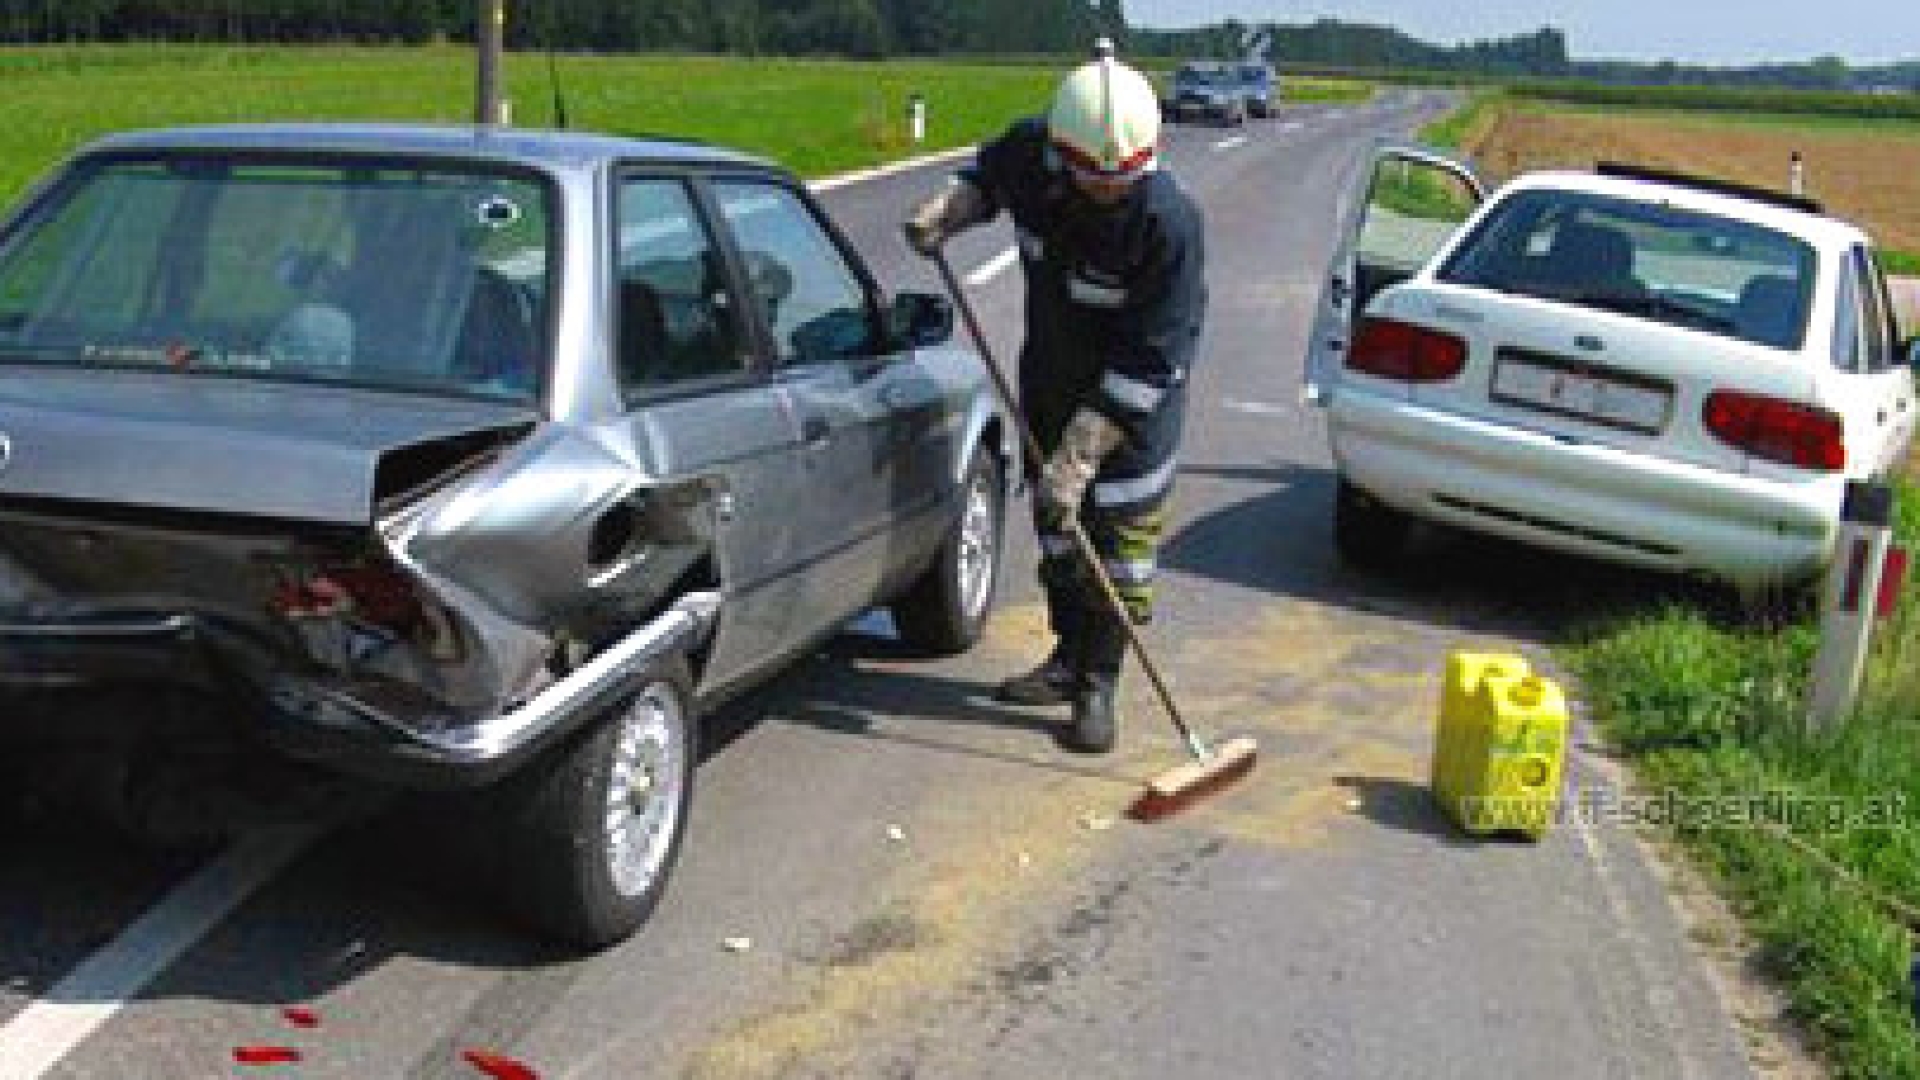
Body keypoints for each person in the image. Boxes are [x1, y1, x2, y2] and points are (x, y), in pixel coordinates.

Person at [903, 50, 1206, 754]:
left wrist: (1081, 457)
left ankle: (1099, 683)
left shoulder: (1169, 226)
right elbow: (986, 179)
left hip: (1131, 423)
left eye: (1121, 180)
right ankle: (1066, 659)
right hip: (1049, 387)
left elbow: (1151, 358)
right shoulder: (1031, 154)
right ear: (1061, 153)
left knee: (1117, 559)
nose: (1107, 191)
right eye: (1092, 178)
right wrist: (951, 209)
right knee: (1060, 541)